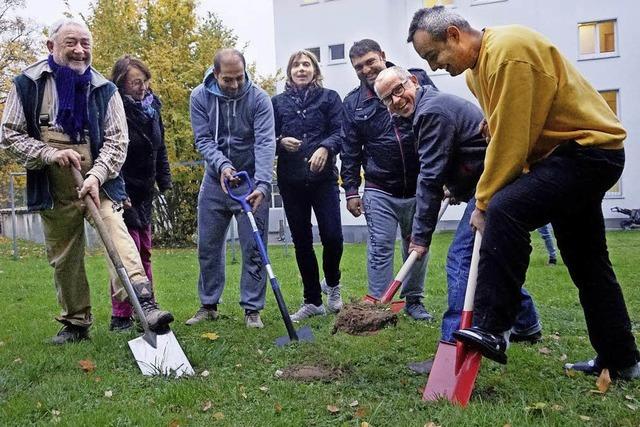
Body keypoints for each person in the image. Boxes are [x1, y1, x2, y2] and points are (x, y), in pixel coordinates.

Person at [408, 7, 640, 379]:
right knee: (587, 262)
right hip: (562, 157)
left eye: (433, 55)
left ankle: (494, 327)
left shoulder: (508, 52)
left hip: (589, 151)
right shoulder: (476, 73)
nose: (434, 67)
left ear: (453, 35)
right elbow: (509, 122)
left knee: (505, 209)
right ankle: (621, 359)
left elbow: (512, 143)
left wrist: (482, 202)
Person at [0, 18, 173, 344]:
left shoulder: (104, 89)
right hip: (54, 187)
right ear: (51, 47)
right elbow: (9, 134)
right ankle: (76, 323)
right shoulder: (28, 85)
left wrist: (96, 175)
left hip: (100, 183)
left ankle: (144, 304)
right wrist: (49, 153)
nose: (80, 50)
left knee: (118, 236)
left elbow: (116, 141)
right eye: (71, 43)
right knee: (65, 257)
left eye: (85, 43)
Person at [374, 66, 541, 348]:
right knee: (488, 260)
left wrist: (420, 237)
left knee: (462, 258)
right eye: (387, 99)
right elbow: (462, 151)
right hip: (488, 180)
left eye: (398, 90)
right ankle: (526, 324)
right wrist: (456, 188)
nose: (396, 101)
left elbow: (429, 177)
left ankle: (453, 342)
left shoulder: (431, 112)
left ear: (413, 81)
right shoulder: (426, 109)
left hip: (494, 182)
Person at [340, 39, 435, 320]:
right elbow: (349, 149)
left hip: (419, 183)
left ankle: (414, 301)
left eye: (370, 61)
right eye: (359, 66)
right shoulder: (353, 104)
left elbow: (438, 122)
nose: (366, 69)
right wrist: (351, 190)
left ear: (383, 55)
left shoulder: (414, 80)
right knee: (380, 246)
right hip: (379, 187)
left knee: (416, 246)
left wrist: (445, 175)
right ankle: (381, 304)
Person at [187, 48, 276, 328]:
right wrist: (223, 166)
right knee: (208, 246)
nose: (235, 85)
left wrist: (262, 184)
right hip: (215, 182)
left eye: (240, 78)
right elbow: (203, 140)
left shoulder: (259, 99)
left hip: (251, 184)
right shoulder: (199, 97)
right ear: (215, 75)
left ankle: (252, 309)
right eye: (228, 80)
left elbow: (265, 143)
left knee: (253, 248)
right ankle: (208, 305)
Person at [271, 50, 344, 321]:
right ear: (289, 72)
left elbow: (341, 132)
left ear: (315, 69)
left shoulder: (330, 98)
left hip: (323, 180)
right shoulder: (277, 102)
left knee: (333, 236)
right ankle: (312, 300)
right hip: (291, 181)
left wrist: (326, 147)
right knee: (302, 241)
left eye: (306, 64)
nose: (301, 69)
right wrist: (281, 142)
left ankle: (333, 285)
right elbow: (268, 136)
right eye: (296, 65)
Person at [107, 55, 173, 331]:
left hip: (145, 190)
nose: (143, 87)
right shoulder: (115, 109)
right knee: (125, 254)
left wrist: (164, 180)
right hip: (123, 191)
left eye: (145, 81)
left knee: (144, 251)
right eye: (136, 82)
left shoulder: (151, 108)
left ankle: (148, 306)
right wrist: (120, 191)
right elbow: (112, 151)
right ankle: (121, 314)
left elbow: (160, 147)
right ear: (122, 83)